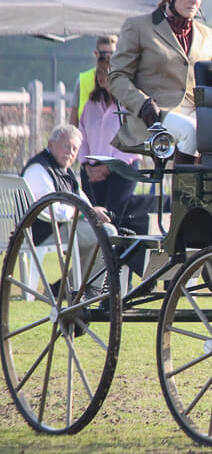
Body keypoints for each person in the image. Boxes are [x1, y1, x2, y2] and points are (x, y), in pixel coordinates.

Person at [108, 0, 212, 165]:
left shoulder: (208, 35)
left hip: (197, 112)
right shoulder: (138, 27)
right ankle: (183, 196)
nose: (195, 0)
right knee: (191, 132)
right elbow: (116, 77)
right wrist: (143, 105)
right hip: (154, 115)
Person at [21, 125, 117, 286]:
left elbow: (83, 202)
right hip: (41, 232)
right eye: (66, 146)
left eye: (75, 149)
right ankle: (91, 288)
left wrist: (93, 211)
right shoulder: (38, 169)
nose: (70, 152)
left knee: (102, 229)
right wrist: (84, 212)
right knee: (107, 233)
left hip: (59, 228)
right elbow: (51, 210)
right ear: (51, 145)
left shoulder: (66, 171)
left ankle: (69, 286)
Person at [78, 47, 141, 223]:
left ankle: (115, 251)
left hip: (121, 170)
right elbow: (81, 137)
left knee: (112, 219)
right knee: (93, 220)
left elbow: (133, 142)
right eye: (99, 71)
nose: (101, 75)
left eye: (106, 71)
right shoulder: (91, 105)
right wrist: (86, 165)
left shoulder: (128, 105)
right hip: (92, 169)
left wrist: (107, 168)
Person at [69, 35, 117, 126]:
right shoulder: (82, 81)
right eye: (104, 54)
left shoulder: (124, 80)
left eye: (112, 54)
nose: (108, 58)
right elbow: (73, 120)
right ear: (96, 54)